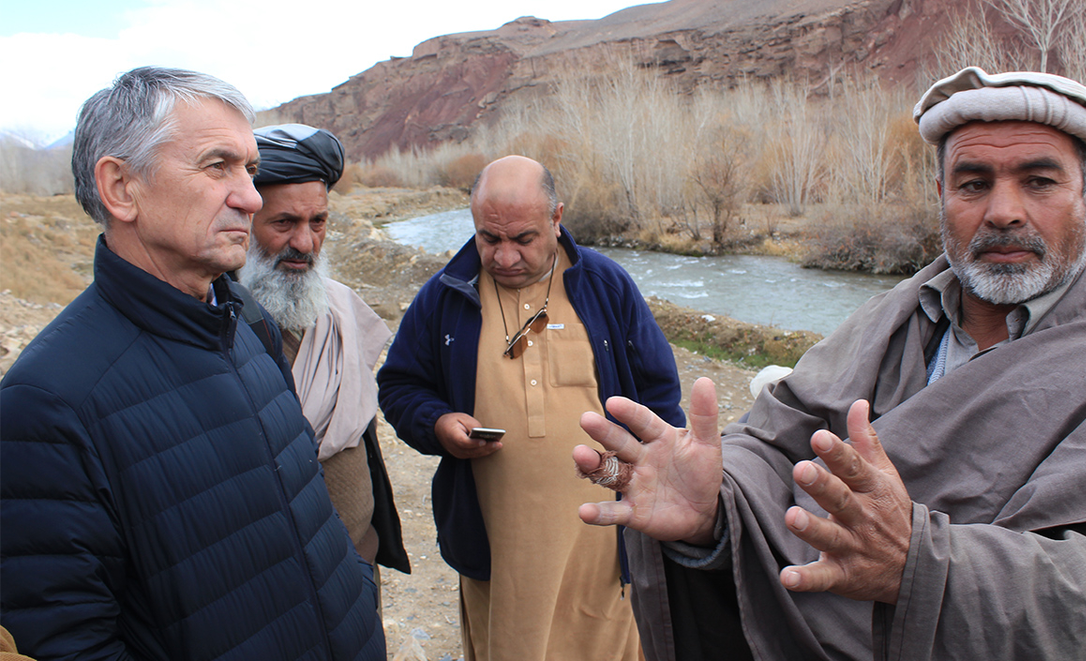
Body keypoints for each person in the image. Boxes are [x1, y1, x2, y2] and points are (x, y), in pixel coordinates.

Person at [571, 67, 1086, 661]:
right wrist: (715, 505)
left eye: (1039, 181)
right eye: (974, 183)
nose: (1003, 210)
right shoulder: (889, 321)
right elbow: (774, 443)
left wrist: (923, 567)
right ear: (941, 195)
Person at [0, 67, 385, 660]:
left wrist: (354, 596)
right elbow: (70, 642)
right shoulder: (48, 402)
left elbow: (303, 501)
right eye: (217, 167)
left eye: (250, 171)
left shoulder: (247, 322)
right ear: (122, 187)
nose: (250, 198)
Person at [376, 155, 685, 660]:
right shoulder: (444, 297)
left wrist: (659, 478)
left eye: (523, 238)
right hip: (496, 540)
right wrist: (438, 423)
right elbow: (400, 386)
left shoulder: (605, 286)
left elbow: (659, 395)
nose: (503, 256)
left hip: (603, 541)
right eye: (488, 238)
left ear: (557, 218)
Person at [240, 123, 411, 597]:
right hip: (274, 587)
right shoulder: (214, 327)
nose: (305, 243)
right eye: (284, 223)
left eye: (317, 222)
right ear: (243, 221)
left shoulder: (338, 309)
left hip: (358, 564)